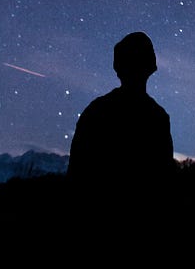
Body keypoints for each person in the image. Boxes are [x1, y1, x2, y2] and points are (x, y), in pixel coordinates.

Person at [68, 31, 175, 212]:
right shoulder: (157, 117)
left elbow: (76, 176)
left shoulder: (96, 110)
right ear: (150, 67)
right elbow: (164, 182)